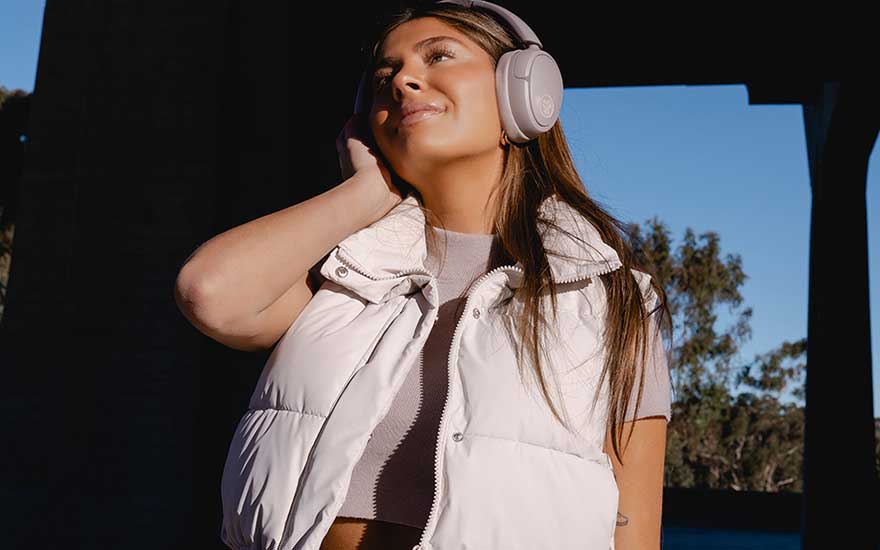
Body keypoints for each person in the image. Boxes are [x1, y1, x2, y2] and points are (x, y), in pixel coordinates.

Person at [175, 2, 674, 549]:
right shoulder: (342, 272)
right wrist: (366, 192)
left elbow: (634, 529)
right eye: (383, 78)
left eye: (438, 56)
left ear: (524, 93)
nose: (403, 81)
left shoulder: (615, 300)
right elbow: (209, 292)